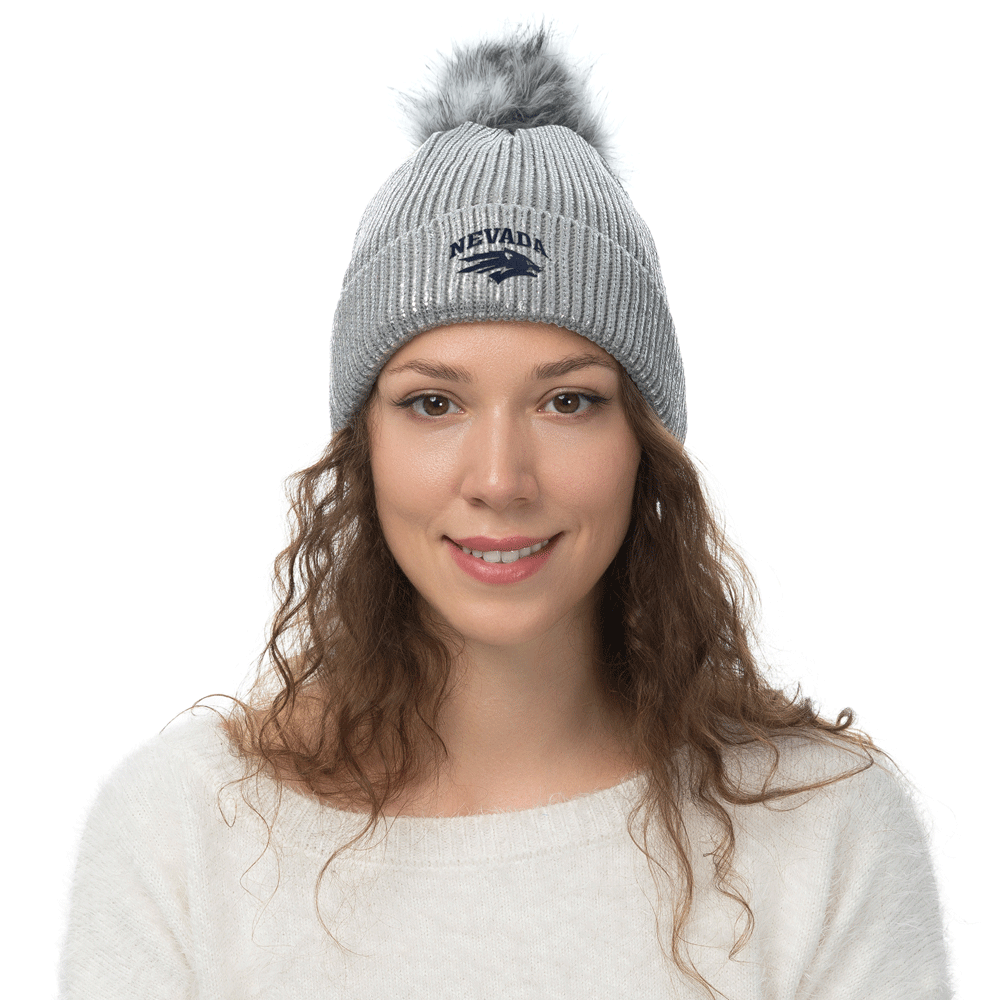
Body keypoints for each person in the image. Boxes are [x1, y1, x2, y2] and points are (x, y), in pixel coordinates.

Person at [59, 25, 953, 999]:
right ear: (364, 445)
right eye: (432, 403)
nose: (498, 478)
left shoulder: (823, 834)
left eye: (567, 400)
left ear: (645, 442)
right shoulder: (182, 837)